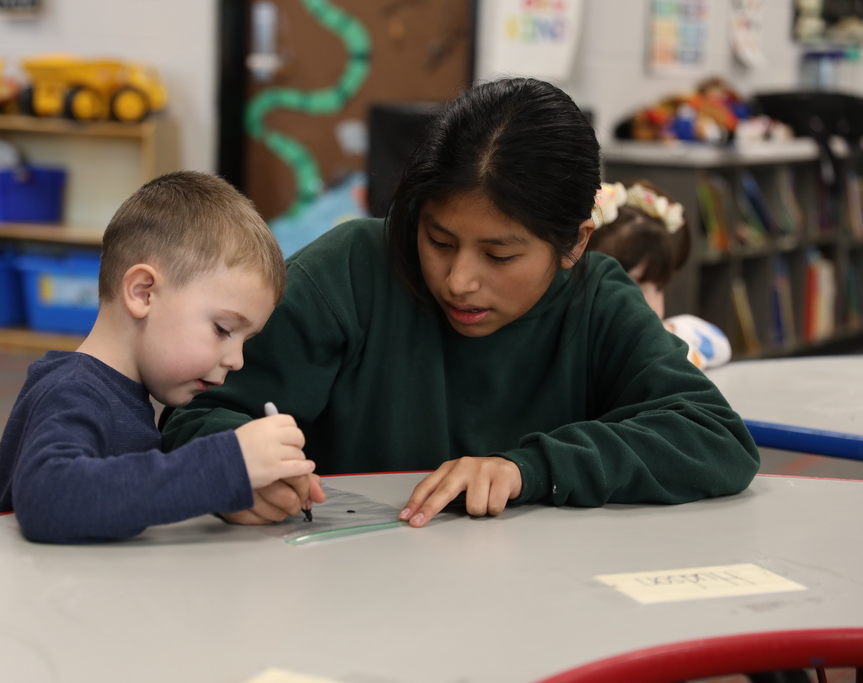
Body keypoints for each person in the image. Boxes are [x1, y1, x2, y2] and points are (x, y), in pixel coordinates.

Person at [161, 77, 760, 528]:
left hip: (538, 604)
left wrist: (529, 469)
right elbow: (195, 417)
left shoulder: (596, 299)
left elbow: (715, 438)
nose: (458, 281)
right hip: (341, 601)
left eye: (499, 256)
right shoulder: (352, 269)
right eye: (438, 240)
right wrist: (231, 473)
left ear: (574, 243)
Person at [0, 171, 323, 543]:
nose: (237, 361)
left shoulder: (127, 397)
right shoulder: (73, 392)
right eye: (223, 329)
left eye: (246, 340)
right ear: (143, 293)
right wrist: (228, 465)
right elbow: (47, 500)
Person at [588, 180, 732, 370]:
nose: (653, 305)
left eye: (658, 288)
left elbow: (721, 345)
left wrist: (672, 331)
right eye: (633, 289)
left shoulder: (665, 335)